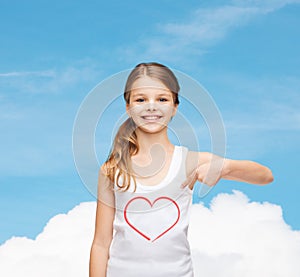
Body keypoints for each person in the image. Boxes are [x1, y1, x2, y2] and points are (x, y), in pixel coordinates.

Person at [89, 62, 274, 277]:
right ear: (128, 107)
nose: (151, 107)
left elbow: (265, 176)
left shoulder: (189, 162)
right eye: (141, 99)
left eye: (162, 99)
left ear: (175, 107)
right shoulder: (112, 169)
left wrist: (224, 167)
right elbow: (101, 243)